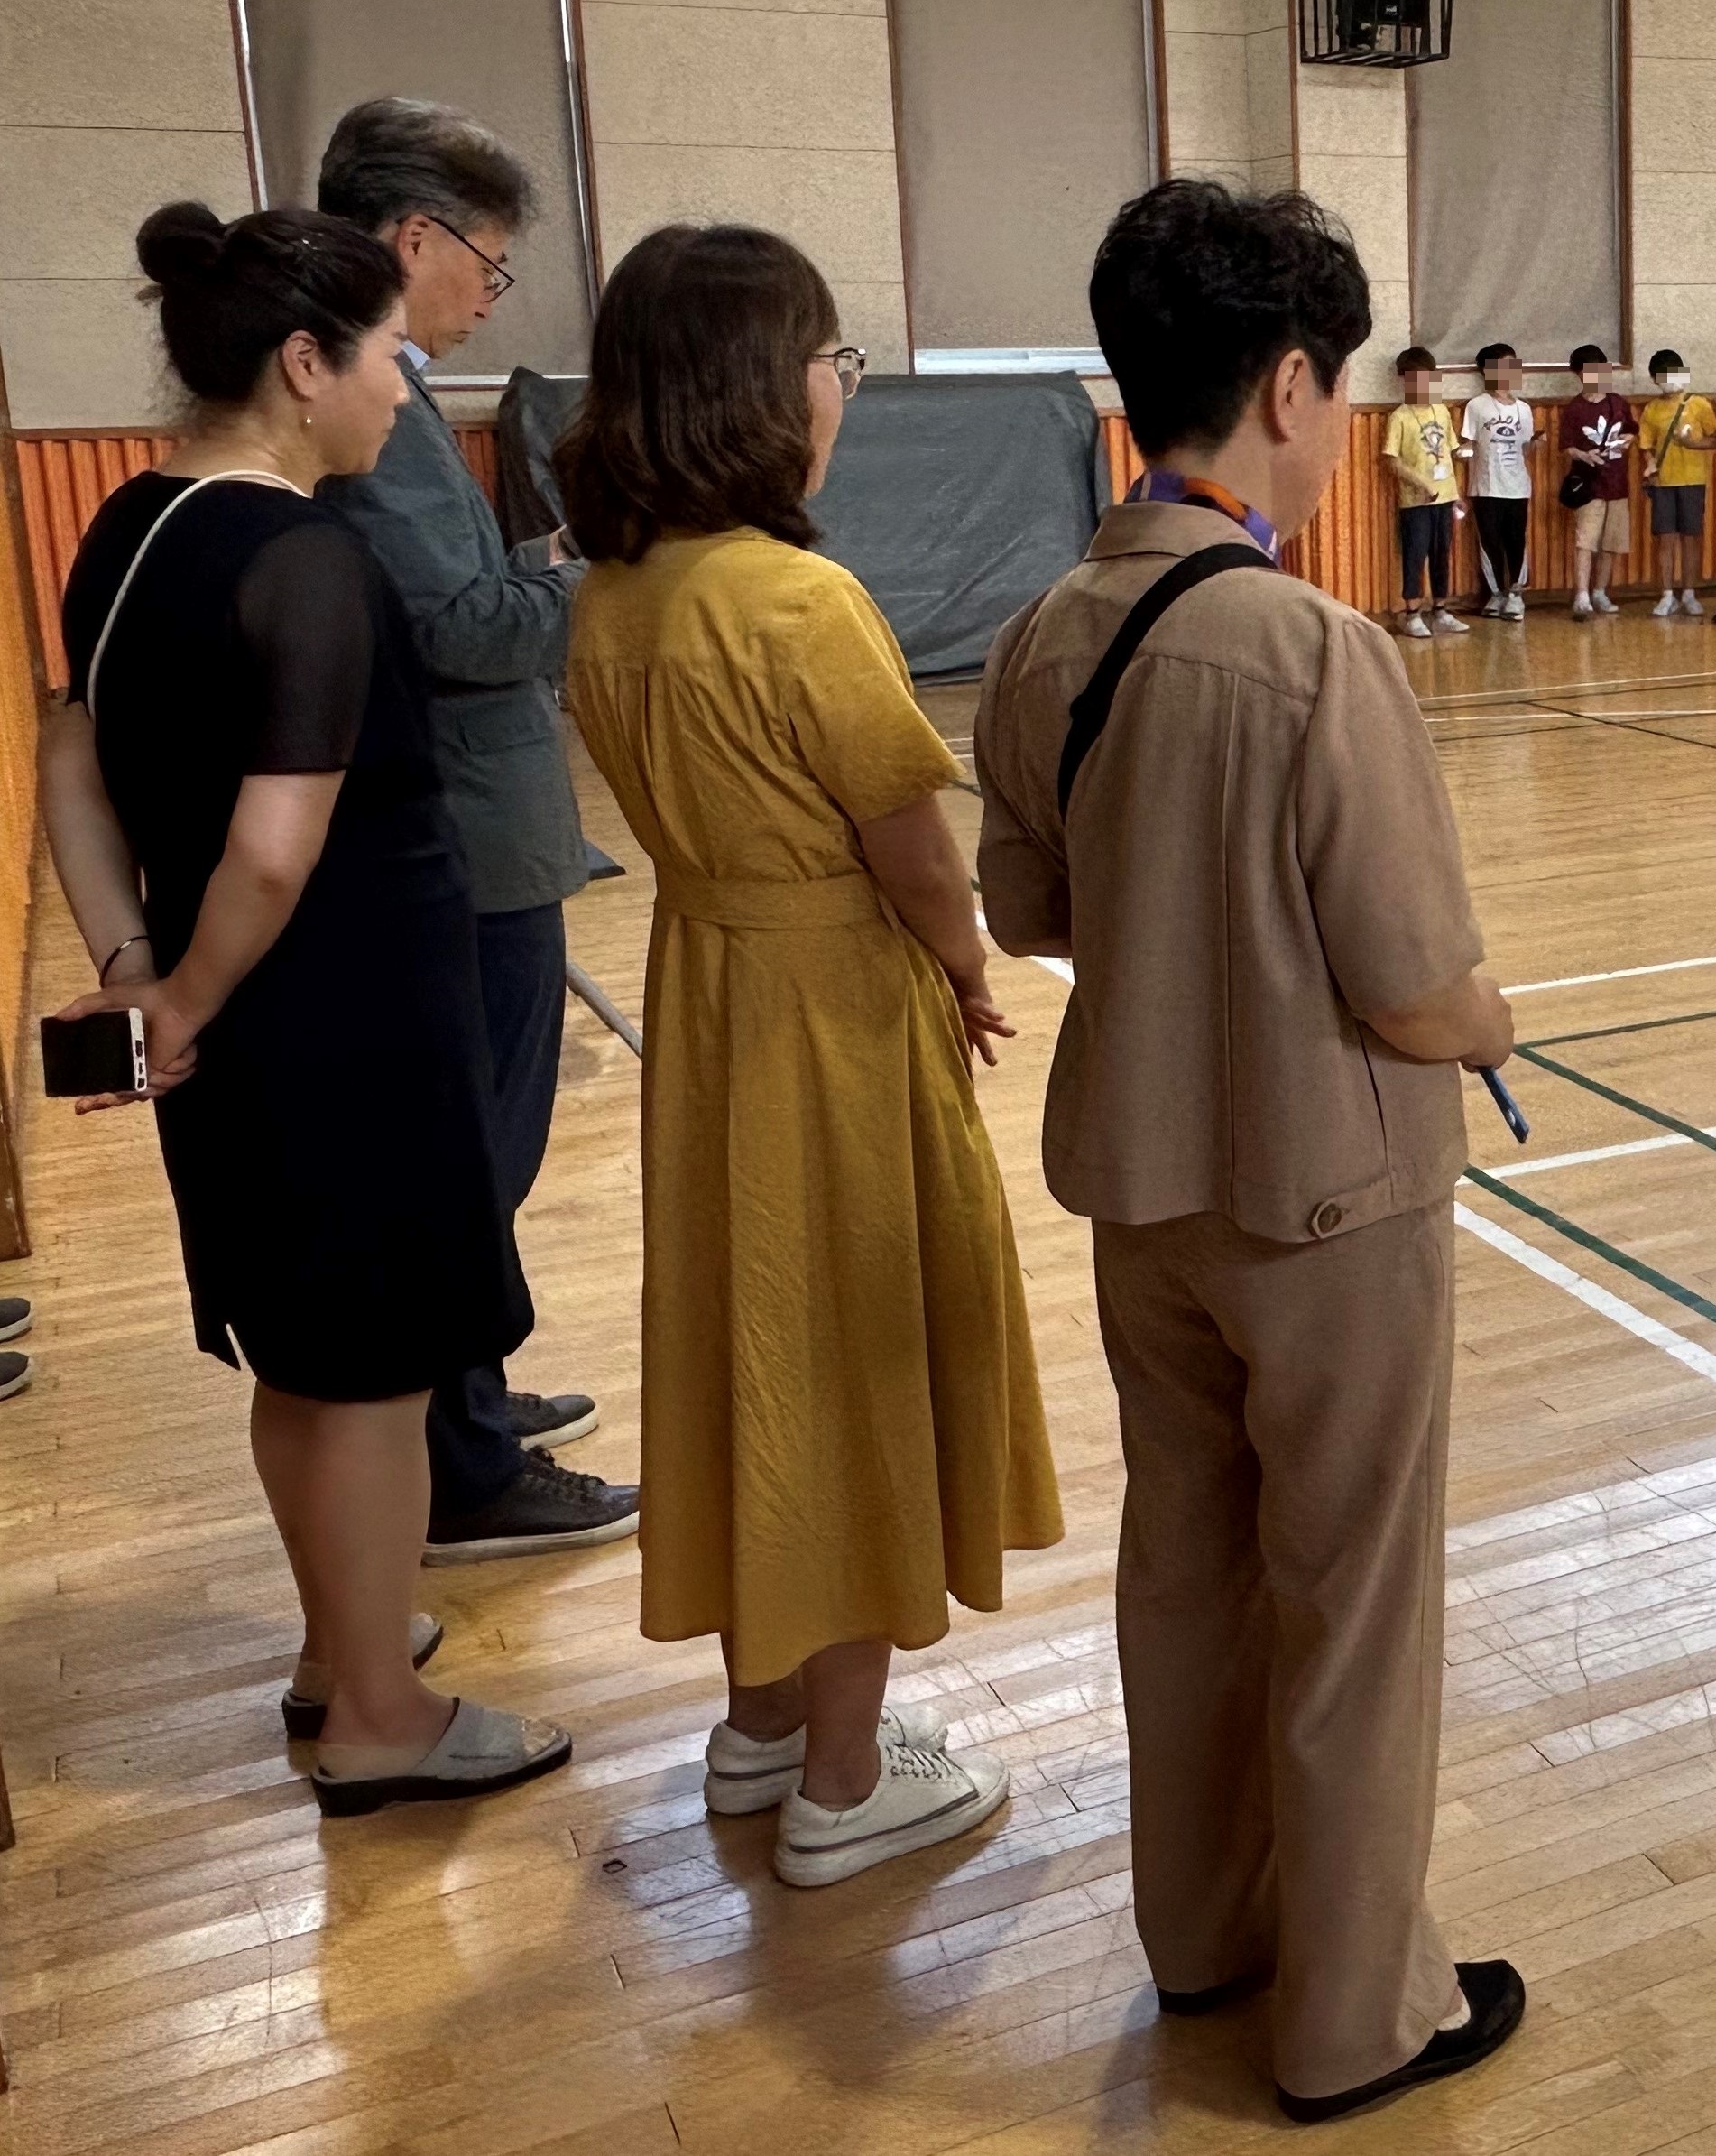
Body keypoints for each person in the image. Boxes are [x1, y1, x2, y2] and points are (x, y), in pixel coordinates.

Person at [970, 178, 1527, 2125]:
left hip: (1144, 1202)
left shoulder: (1046, 630)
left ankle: (1202, 1939)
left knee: (1188, 1574)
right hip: (1333, 1204)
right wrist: (1496, 1018)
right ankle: (1357, 2011)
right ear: (1287, 383)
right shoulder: (1311, 648)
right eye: (1340, 385)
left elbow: (1026, 910)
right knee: (1353, 1600)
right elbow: (1413, 983)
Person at [42, 202, 569, 1813]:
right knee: (379, 1377)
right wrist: (191, 984)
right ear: (300, 362)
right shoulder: (305, 557)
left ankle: (341, 1649)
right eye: (387, 362)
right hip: (339, 1018)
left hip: (239, 1026)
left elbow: (72, 763)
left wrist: (140, 971)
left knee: (307, 1359)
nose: (404, 397)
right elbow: (276, 850)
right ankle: (381, 1721)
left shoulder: (129, 524)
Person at [556, 224, 1060, 1888]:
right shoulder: (799, 597)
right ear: (757, 390)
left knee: (744, 1339)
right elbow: (914, 853)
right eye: (828, 356)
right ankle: (846, 1782)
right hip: (829, 1013)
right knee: (850, 1355)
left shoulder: (617, 590)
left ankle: (761, 1726)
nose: (838, 386)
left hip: (709, 990)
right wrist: (968, 963)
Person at [311, 97, 636, 1567]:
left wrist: (542, 560)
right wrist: (587, 566)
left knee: (480, 1150)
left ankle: (477, 1408)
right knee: (473, 1160)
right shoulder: (374, 410)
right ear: (411, 238)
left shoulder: (401, 393)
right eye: (490, 263)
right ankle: (464, 1465)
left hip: (478, 836)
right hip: (466, 842)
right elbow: (458, 627)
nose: (492, 291)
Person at [1382, 347, 1467, 643]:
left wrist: (1455, 493)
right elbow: (1392, 461)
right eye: (1415, 379)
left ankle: (1441, 610)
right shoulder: (1399, 417)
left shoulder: (1441, 411)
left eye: (1427, 378)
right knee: (1415, 554)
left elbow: (1449, 453)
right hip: (1415, 502)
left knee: (1442, 553)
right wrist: (1421, 483)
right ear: (1404, 381)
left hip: (1445, 498)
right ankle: (1412, 613)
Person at [1639, 349, 1716, 618]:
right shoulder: (1651, 409)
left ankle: (1689, 593)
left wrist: (1692, 444)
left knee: (1691, 539)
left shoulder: (1699, 404)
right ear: (1654, 379)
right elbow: (1646, 445)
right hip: (1663, 482)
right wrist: (1649, 463)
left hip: (1693, 480)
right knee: (1666, 539)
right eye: (1661, 376)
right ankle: (1666, 594)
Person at [1556, 344, 1635, 618]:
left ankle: (1600, 591)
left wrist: (1627, 441)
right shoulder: (1575, 409)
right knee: (1585, 541)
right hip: (1589, 485)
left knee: (1611, 542)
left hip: (1617, 483)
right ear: (1578, 375)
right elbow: (1566, 445)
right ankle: (1581, 595)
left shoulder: (1618, 402)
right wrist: (1582, 454)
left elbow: (1631, 431)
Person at [1457, 344, 1534, 618]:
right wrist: (1459, 454)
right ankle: (1495, 594)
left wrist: (1537, 445)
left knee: (1516, 540)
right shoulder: (1476, 406)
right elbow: (1468, 443)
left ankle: (1516, 594)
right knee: (1489, 541)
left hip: (1517, 486)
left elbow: (1526, 448)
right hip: (1486, 486)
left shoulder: (1524, 409)